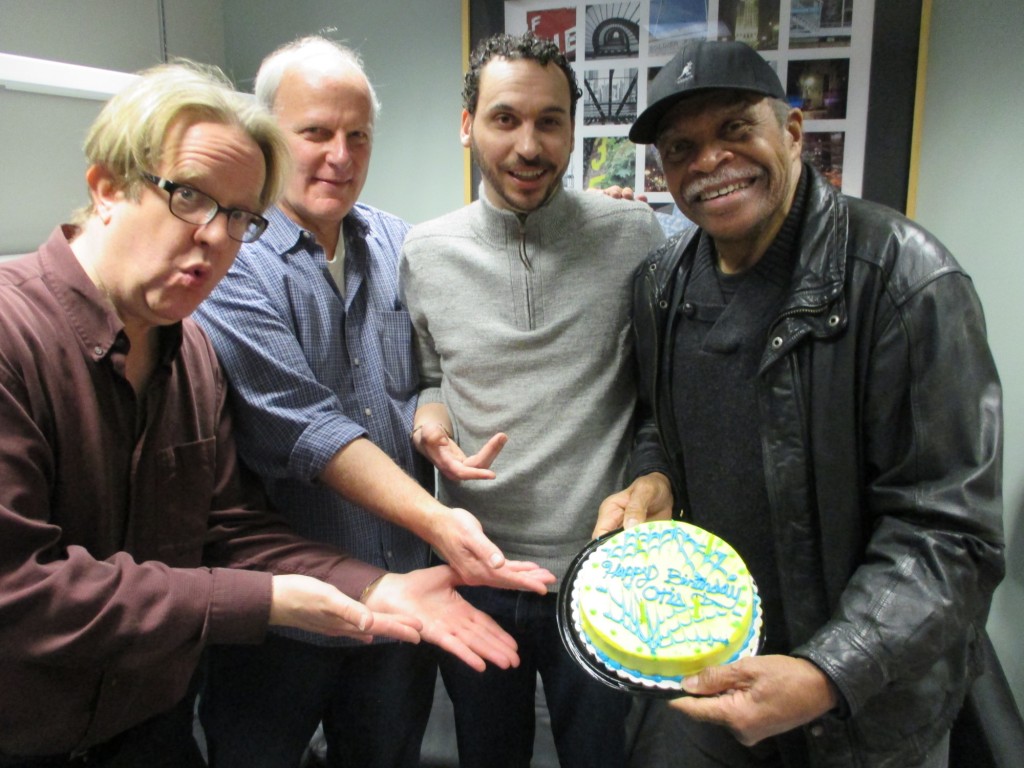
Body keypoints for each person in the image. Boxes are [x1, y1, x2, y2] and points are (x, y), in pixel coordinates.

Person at [0, 60, 523, 767]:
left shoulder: (189, 357)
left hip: (151, 722)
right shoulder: (15, 338)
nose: (216, 237)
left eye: (240, 216)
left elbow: (226, 528)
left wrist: (377, 583)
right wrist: (267, 601)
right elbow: (19, 590)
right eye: (188, 197)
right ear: (107, 189)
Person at [597, 39, 1005, 768]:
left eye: (734, 130)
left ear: (791, 132)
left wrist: (825, 674)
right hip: (708, 660)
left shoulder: (905, 278)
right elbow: (663, 421)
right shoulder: (659, 283)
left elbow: (950, 534)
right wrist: (652, 475)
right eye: (682, 147)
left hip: (861, 699)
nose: (709, 161)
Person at [191, 36, 553, 768]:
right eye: (316, 133)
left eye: (358, 135)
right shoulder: (231, 259)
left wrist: (432, 414)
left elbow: (430, 369)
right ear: (267, 136)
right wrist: (438, 518)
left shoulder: (401, 245)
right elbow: (305, 427)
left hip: (401, 613)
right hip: (282, 618)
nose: (341, 155)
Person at [399, 31, 670, 768]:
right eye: (505, 118)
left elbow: (660, 391)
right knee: (489, 756)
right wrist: (430, 420)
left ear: (573, 130)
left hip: (601, 573)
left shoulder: (633, 234)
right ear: (467, 126)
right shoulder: (424, 251)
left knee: (604, 759)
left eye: (550, 121)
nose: (529, 144)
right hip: (476, 570)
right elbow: (430, 375)